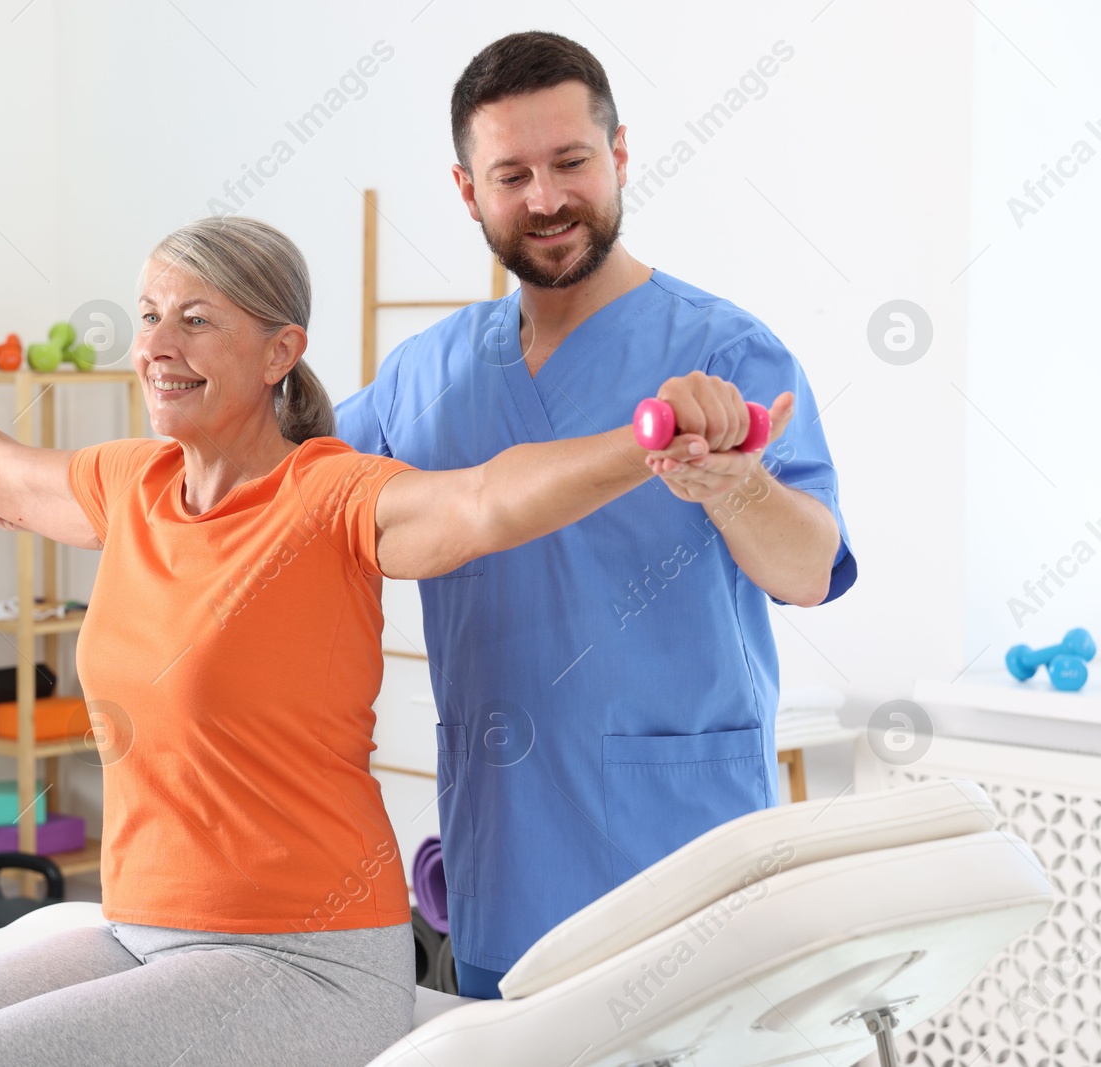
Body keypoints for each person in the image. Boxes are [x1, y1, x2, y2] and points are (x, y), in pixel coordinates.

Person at [0, 216, 778, 1065]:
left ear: (280, 351)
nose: (157, 344)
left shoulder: (328, 497)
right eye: (150, 315)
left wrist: (643, 442)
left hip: (307, 954)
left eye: (198, 319)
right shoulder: (131, 488)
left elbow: (485, 499)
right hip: (138, 925)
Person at [332, 31, 857, 1000]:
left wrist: (737, 486)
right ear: (466, 190)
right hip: (507, 857)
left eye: (570, 162)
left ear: (617, 155)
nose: (545, 198)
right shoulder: (427, 373)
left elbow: (809, 568)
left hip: (681, 853)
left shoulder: (724, 351)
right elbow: (295, 495)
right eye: (511, 173)